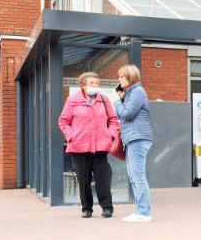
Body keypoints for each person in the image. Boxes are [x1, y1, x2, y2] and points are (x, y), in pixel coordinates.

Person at [58, 72, 120, 219]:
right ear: (83, 85)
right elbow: (63, 121)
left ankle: (107, 208)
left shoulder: (104, 100)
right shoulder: (73, 100)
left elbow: (113, 120)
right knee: (83, 180)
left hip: (100, 147)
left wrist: (110, 135)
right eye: (91, 83)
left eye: (96, 83)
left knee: (102, 180)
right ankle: (86, 209)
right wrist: (72, 136)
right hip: (80, 147)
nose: (94, 86)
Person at [113, 64, 153, 223]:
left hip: (138, 138)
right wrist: (122, 99)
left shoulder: (138, 92)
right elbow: (123, 114)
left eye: (122, 76)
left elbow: (127, 114)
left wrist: (117, 101)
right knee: (133, 176)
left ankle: (143, 213)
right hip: (133, 138)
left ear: (130, 77)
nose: (119, 80)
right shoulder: (131, 94)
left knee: (138, 176)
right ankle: (140, 211)